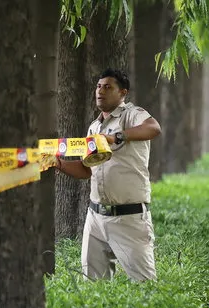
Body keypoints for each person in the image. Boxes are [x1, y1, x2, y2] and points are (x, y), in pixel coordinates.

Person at [50, 68, 161, 281]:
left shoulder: (132, 114)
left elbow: (153, 128)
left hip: (128, 217)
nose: (100, 91)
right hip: (95, 217)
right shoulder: (94, 127)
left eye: (108, 87)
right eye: (99, 87)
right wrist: (58, 163)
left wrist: (116, 137)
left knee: (145, 285)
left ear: (123, 93)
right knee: (93, 287)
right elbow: (86, 170)